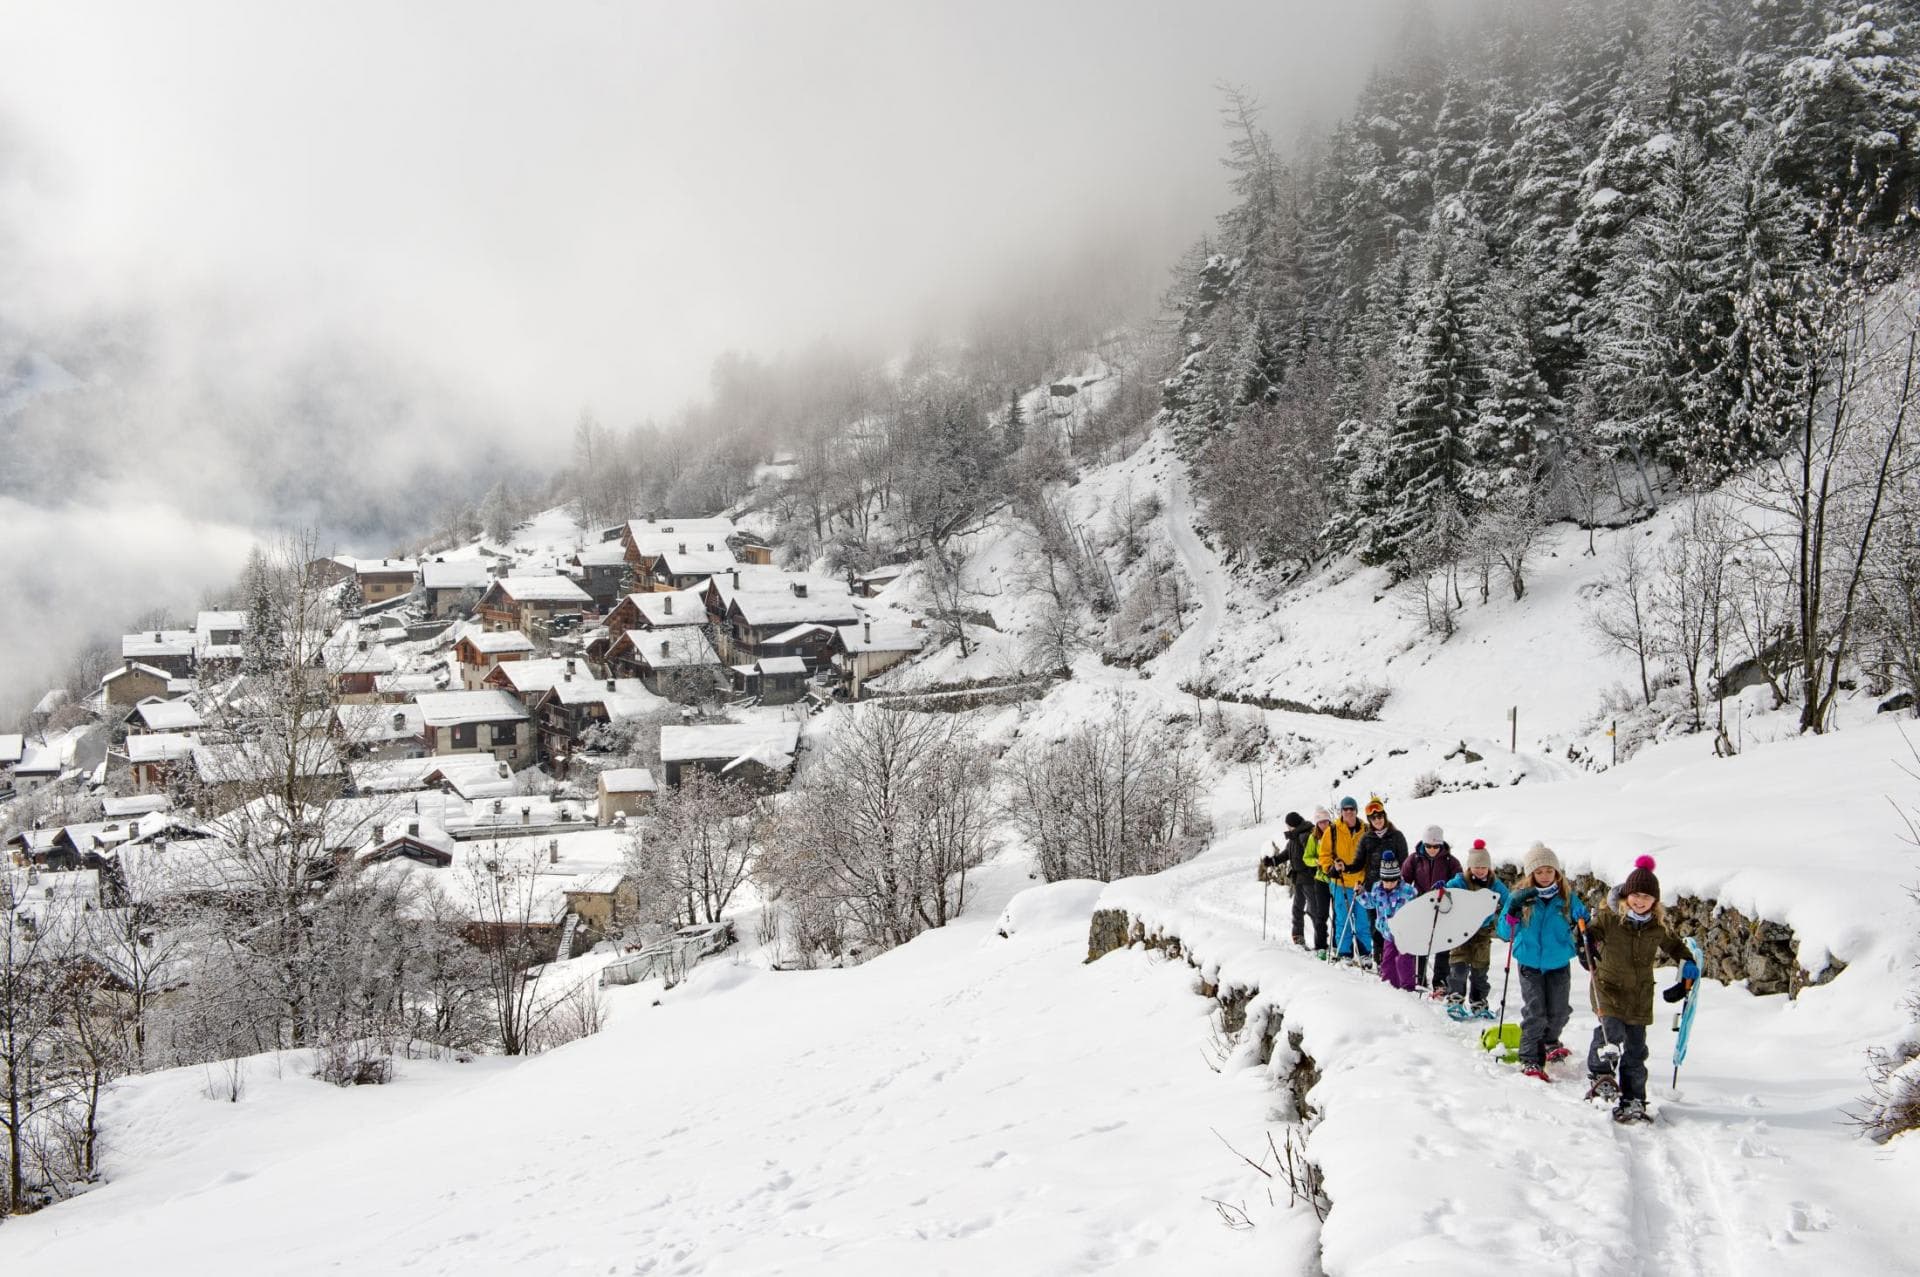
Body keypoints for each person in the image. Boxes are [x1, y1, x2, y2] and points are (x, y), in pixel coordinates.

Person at [1583, 855, 1697, 1123]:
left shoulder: (1657, 927)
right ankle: (1601, 1075)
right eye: (1635, 895)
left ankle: (1633, 1097)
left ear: (1655, 901)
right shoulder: (1611, 918)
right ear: (1626, 895)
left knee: (1636, 1049)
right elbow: (1590, 933)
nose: (1640, 901)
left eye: (1647, 897)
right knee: (1611, 1033)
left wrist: (1688, 964)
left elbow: (1676, 948)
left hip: (1639, 996)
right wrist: (1584, 940)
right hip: (1607, 987)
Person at [1496, 842, 1589, 1082]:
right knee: (1536, 1011)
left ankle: (1550, 1040)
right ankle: (1530, 1059)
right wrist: (1512, 912)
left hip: (1558, 961)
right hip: (1529, 962)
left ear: (1556, 872)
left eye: (1549, 871)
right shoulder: (1520, 897)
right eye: (1539, 872)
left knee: (1559, 1012)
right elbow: (1505, 932)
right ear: (1531, 874)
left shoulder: (1567, 898)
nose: (1545, 876)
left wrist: (1584, 921)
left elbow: (1584, 921)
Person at [1443, 839, 1509, 1020]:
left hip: (1482, 931)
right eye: (1476, 867)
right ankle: (1455, 999)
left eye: (1483, 867)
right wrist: (1441, 891)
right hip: (1461, 930)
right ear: (1469, 867)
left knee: (1480, 968)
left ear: (1489, 868)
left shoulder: (1495, 884)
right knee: (1459, 965)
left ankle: (1479, 1001)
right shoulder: (1461, 881)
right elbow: (1448, 891)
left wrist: (1511, 910)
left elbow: (1508, 900)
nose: (1480, 870)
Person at [1404, 825, 1462, 995]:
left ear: (1441, 845)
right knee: (1422, 942)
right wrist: (1412, 897)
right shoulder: (1414, 859)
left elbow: (1459, 881)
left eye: (1435, 846)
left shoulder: (1451, 861)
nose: (1431, 850)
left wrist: (1448, 887)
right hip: (1421, 906)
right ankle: (1419, 977)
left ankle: (1440, 980)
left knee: (1442, 944)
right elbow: (1404, 881)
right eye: (1428, 846)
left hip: (1443, 907)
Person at [1322, 797, 1372, 966]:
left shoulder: (1366, 829)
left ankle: (1365, 953)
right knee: (1342, 919)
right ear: (1341, 811)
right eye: (1345, 809)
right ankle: (1345, 953)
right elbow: (1324, 855)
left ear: (1356, 811)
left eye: (1352, 809)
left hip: (1361, 883)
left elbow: (1371, 854)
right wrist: (1331, 869)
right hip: (1340, 883)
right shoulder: (1333, 830)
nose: (1349, 812)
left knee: (1363, 920)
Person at [1364, 853, 1418, 989]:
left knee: (1404, 961)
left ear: (1398, 878)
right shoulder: (1377, 888)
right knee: (1387, 962)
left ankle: (1407, 988)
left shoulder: (1408, 891)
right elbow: (1371, 903)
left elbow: (1417, 909)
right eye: (1385, 881)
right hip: (1388, 933)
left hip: (1405, 935)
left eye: (1392, 881)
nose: (1388, 884)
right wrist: (1361, 895)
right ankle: (1389, 988)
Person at [1292, 809, 1332, 956]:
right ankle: (1321, 946)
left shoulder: (1335, 833)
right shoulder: (1313, 837)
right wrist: (1316, 861)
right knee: (1321, 914)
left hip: (1337, 879)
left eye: (1325, 821)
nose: (1323, 824)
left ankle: (1337, 945)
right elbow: (1306, 857)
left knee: (1339, 915)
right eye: (1320, 822)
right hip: (1321, 878)